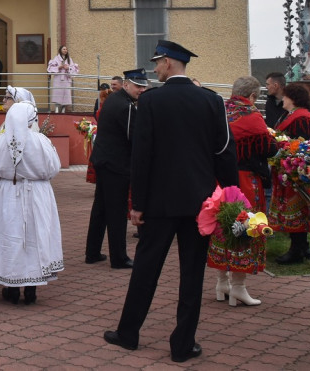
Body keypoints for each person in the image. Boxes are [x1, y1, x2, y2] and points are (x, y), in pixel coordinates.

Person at [104, 40, 236, 364]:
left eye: (158, 63)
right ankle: (182, 344)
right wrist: (231, 197)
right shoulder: (212, 101)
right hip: (200, 204)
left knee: (146, 269)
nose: (155, 69)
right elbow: (224, 153)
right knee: (192, 274)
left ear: (169, 63)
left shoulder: (150, 102)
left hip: (160, 203)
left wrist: (138, 204)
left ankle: (128, 333)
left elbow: (142, 156)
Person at [207, 76, 278, 306]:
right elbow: (268, 148)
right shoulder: (251, 116)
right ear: (252, 96)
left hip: (220, 183)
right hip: (246, 181)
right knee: (245, 228)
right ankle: (238, 287)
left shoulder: (219, 111)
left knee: (222, 228)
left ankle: (222, 284)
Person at [0, 100, 63, 305]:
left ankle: (11, 286)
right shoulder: (40, 140)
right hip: (36, 194)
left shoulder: (0, 141)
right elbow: (54, 167)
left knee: (10, 236)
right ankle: (31, 288)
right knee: (33, 236)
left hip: (7, 194)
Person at [85, 68, 147, 269]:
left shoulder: (113, 99)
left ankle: (92, 252)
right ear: (127, 84)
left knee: (101, 209)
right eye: (138, 86)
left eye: (144, 87)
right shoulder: (127, 106)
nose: (141, 90)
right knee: (117, 212)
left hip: (103, 161)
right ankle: (119, 258)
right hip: (116, 165)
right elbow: (135, 137)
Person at [269, 83, 310, 265]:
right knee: (294, 210)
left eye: (285, 96)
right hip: (287, 170)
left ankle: (297, 250)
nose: (282, 99)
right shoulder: (290, 116)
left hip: (295, 172)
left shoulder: (302, 118)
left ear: (293, 98)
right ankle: (301, 246)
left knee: (298, 210)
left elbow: (303, 145)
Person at [46, 45, 78, 113]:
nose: (65, 50)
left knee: (66, 93)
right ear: (60, 50)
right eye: (64, 49)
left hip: (66, 79)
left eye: (66, 49)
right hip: (58, 79)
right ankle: (57, 108)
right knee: (58, 92)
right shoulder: (56, 58)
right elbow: (51, 68)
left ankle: (63, 109)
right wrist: (59, 67)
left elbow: (73, 68)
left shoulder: (69, 59)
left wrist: (68, 68)